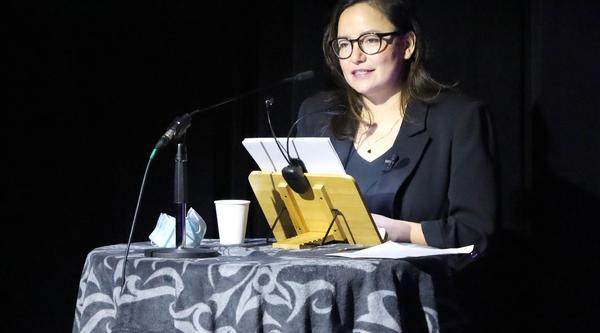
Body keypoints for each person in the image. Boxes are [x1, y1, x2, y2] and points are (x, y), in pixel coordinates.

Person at [297, 0, 496, 268]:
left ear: (407, 45)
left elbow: (475, 232)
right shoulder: (316, 116)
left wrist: (402, 231)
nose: (355, 56)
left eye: (370, 40)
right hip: (329, 289)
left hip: (422, 293)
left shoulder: (458, 119)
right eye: (344, 44)